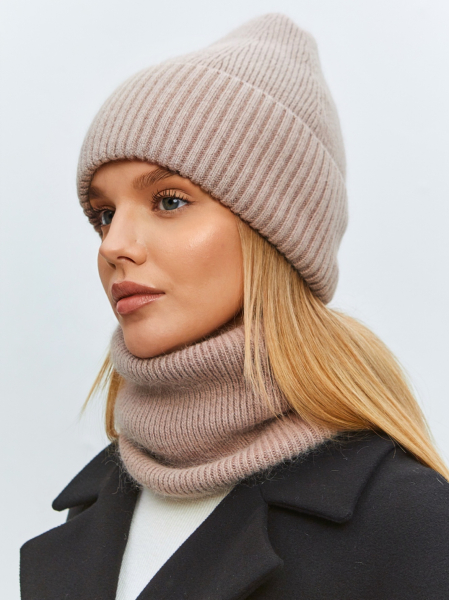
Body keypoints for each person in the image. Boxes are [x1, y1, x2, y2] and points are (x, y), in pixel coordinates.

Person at [20, 12, 449, 600]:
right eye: (104, 214)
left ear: (274, 234)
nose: (114, 245)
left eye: (169, 201)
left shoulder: (408, 525)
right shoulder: (97, 507)